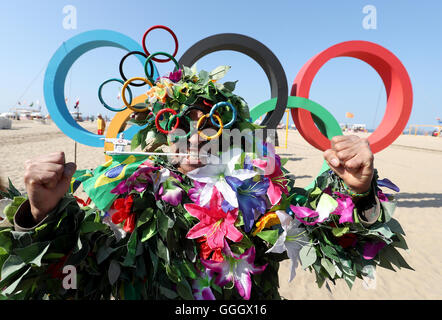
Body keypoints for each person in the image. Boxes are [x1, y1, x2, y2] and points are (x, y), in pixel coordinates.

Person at [0, 65, 405, 300]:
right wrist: (38, 213)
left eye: (213, 123)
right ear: (155, 135)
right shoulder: (117, 190)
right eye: (176, 124)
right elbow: (66, 277)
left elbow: (336, 243)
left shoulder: (262, 188)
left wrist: (356, 190)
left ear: (233, 131)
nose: (193, 138)